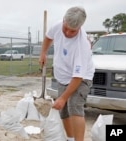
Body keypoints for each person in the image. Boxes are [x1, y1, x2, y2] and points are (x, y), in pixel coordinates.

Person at [39, 6, 95, 141]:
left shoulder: (82, 45)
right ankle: (70, 139)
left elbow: (77, 77)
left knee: (74, 106)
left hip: (81, 78)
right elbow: (48, 37)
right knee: (63, 111)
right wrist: (43, 53)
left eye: (73, 31)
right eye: (66, 28)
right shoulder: (57, 25)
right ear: (64, 20)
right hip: (62, 75)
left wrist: (63, 98)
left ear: (80, 27)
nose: (68, 33)